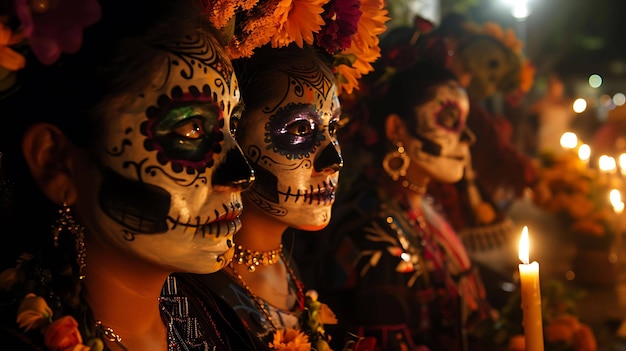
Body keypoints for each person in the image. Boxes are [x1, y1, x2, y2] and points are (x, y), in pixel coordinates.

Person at [0, 0, 256, 350]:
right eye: (192, 129)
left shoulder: (217, 319)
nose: (242, 173)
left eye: (233, 126)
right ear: (57, 162)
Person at [172, 2, 389, 350]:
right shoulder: (189, 292)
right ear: (232, 132)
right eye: (301, 129)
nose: (334, 159)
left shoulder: (288, 267)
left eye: (333, 127)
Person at [322, 25, 492, 351]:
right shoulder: (372, 237)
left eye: (465, 122)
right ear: (396, 128)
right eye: (448, 119)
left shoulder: (420, 204)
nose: (468, 138)